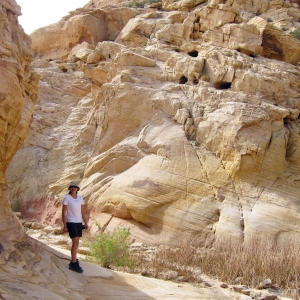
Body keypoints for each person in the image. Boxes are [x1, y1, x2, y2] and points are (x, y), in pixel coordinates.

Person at [62, 181, 88, 273]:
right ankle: (73, 263)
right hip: (71, 222)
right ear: (70, 189)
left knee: (77, 243)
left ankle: (74, 261)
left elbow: (82, 211)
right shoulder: (67, 198)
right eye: (71, 187)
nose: (73, 188)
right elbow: (63, 213)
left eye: (75, 187)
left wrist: (85, 222)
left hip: (78, 222)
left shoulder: (80, 197)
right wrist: (65, 225)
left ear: (77, 189)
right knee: (75, 242)